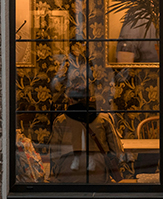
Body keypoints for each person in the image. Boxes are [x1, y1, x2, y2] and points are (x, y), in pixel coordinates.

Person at [47, 55, 125, 183]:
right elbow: (116, 150)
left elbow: (54, 153)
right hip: (98, 175)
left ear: (70, 100)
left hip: (68, 175)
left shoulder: (61, 121)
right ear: (90, 99)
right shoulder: (104, 119)